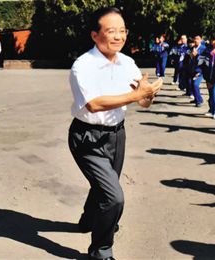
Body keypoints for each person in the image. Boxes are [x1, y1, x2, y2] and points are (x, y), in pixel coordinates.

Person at [68, 7, 162, 260]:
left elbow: (142, 101)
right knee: (114, 197)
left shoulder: (127, 63)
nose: (118, 36)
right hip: (87, 137)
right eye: (111, 31)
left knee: (105, 188)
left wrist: (148, 95)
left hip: (116, 135)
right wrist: (136, 95)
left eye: (122, 31)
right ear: (95, 35)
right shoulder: (83, 65)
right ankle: (101, 250)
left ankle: (90, 219)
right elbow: (94, 104)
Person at [198, 33, 215, 119]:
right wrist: (201, 74)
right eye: (213, 40)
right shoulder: (206, 51)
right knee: (211, 95)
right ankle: (211, 110)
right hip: (209, 77)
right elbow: (201, 64)